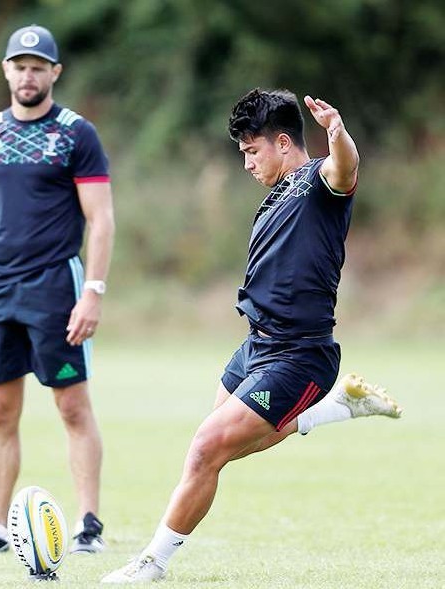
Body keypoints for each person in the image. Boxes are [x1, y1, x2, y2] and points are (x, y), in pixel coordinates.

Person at [101, 89, 402, 583]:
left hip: (299, 354)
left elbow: (345, 168)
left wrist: (338, 133)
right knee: (224, 446)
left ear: (283, 142)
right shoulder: (275, 197)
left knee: (206, 448)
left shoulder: (318, 182)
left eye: (251, 150)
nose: (246, 163)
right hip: (256, 347)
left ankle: (152, 563)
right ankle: (338, 408)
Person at [0, 24, 114, 558]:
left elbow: (100, 219)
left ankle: (88, 527)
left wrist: (93, 291)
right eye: (19, 66)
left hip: (54, 287)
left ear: (54, 72)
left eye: (38, 67)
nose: (28, 75)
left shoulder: (76, 134)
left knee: (72, 406)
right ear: (6, 71)